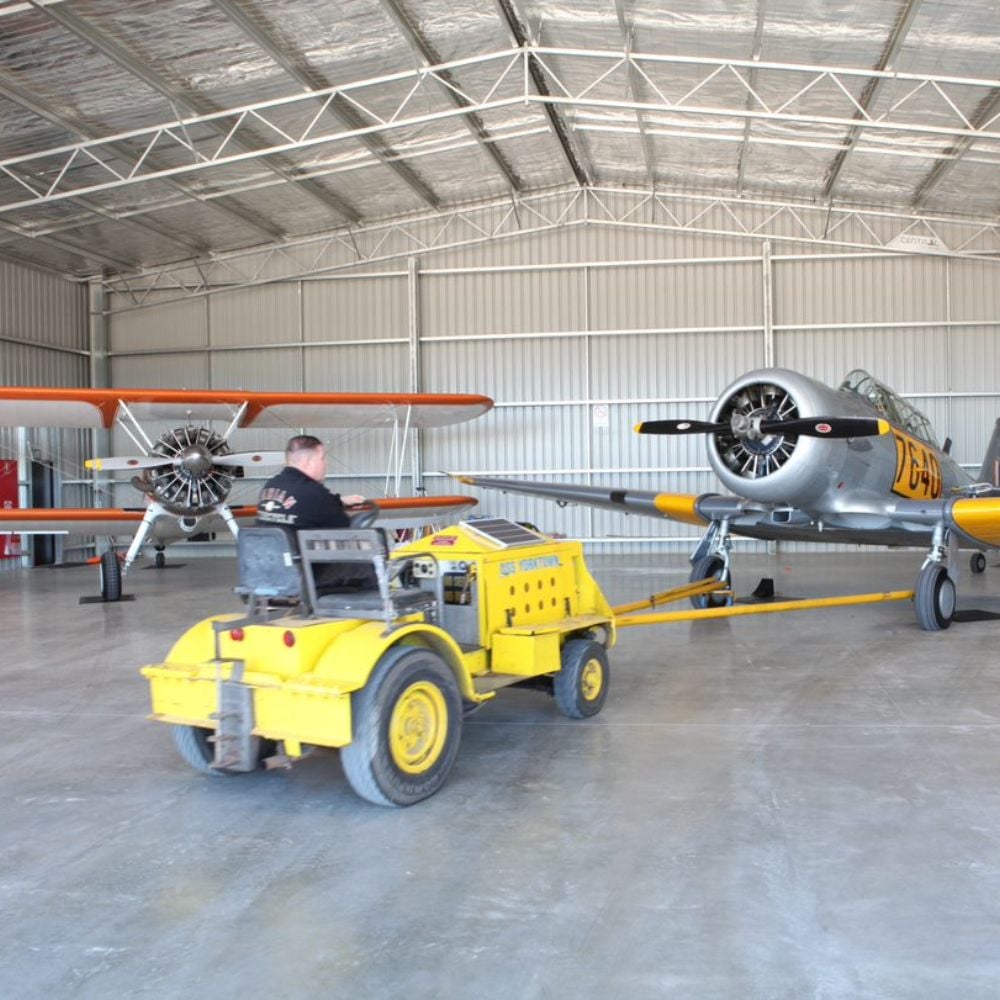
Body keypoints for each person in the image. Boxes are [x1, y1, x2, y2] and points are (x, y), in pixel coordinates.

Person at [257, 435, 374, 591]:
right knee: (371, 563)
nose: (326, 463)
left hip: (267, 571)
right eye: (322, 458)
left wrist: (338, 501)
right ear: (307, 462)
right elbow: (347, 535)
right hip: (307, 575)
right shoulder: (315, 493)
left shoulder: (270, 486)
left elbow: (300, 505)